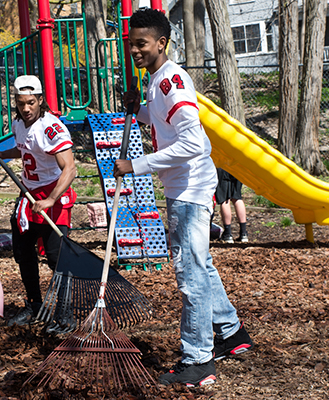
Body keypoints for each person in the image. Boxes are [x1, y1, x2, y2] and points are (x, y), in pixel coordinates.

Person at [113, 8, 253, 387]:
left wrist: (137, 165)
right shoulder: (157, 79)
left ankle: (198, 361)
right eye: (131, 44)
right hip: (183, 186)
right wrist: (139, 111)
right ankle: (231, 333)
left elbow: (193, 142)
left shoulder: (171, 82)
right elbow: (164, 123)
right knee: (201, 266)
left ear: (162, 43)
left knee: (190, 276)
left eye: (142, 44)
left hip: (190, 191)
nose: (135, 50)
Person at [0, 75, 77, 334]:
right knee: (23, 252)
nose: (26, 108)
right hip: (28, 194)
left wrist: (51, 199)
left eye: (31, 103)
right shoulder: (18, 123)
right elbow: (25, 149)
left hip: (53, 194)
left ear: (40, 100)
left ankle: (65, 314)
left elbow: (70, 169)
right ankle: (35, 305)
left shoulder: (52, 128)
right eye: (21, 103)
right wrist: (1, 153)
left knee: (57, 258)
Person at [215, 168, 248, 243]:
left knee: (224, 199)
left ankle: (227, 234)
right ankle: (244, 233)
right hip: (237, 166)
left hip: (222, 167)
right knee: (237, 197)